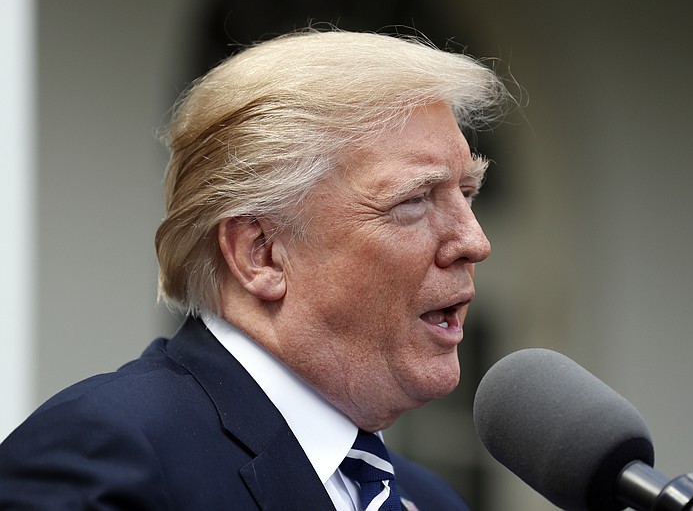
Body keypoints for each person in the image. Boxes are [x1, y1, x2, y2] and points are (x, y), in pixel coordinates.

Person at [0, 29, 509, 510]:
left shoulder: (430, 499)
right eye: (415, 200)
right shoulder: (108, 454)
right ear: (260, 253)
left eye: (466, 194)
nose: (475, 242)